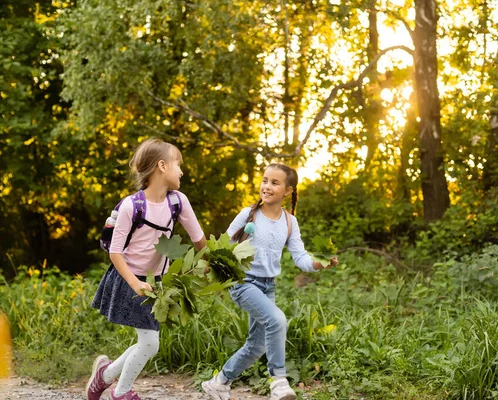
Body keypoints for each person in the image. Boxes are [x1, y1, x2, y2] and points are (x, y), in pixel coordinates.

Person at [202, 163, 338, 400]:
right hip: (243, 282)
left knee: (256, 346)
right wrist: (209, 266)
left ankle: (219, 382)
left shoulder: (289, 222)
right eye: (265, 180)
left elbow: (301, 258)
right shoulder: (248, 214)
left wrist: (319, 263)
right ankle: (279, 381)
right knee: (277, 320)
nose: (267, 186)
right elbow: (225, 246)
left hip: (268, 286)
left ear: (288, 191)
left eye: (275, 182)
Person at [85, 138, 207, 400]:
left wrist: (207, 263)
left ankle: (104, 376)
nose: (182, 171)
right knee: (151, 343)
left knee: (147, 342)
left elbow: (199, 240)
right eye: (178, 165)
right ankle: (121, 392)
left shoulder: (178, 202)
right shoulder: (132, 205)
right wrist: (134, 283)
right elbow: (114, 251)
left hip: (156, 283)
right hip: (129, 279)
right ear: (162, 166)